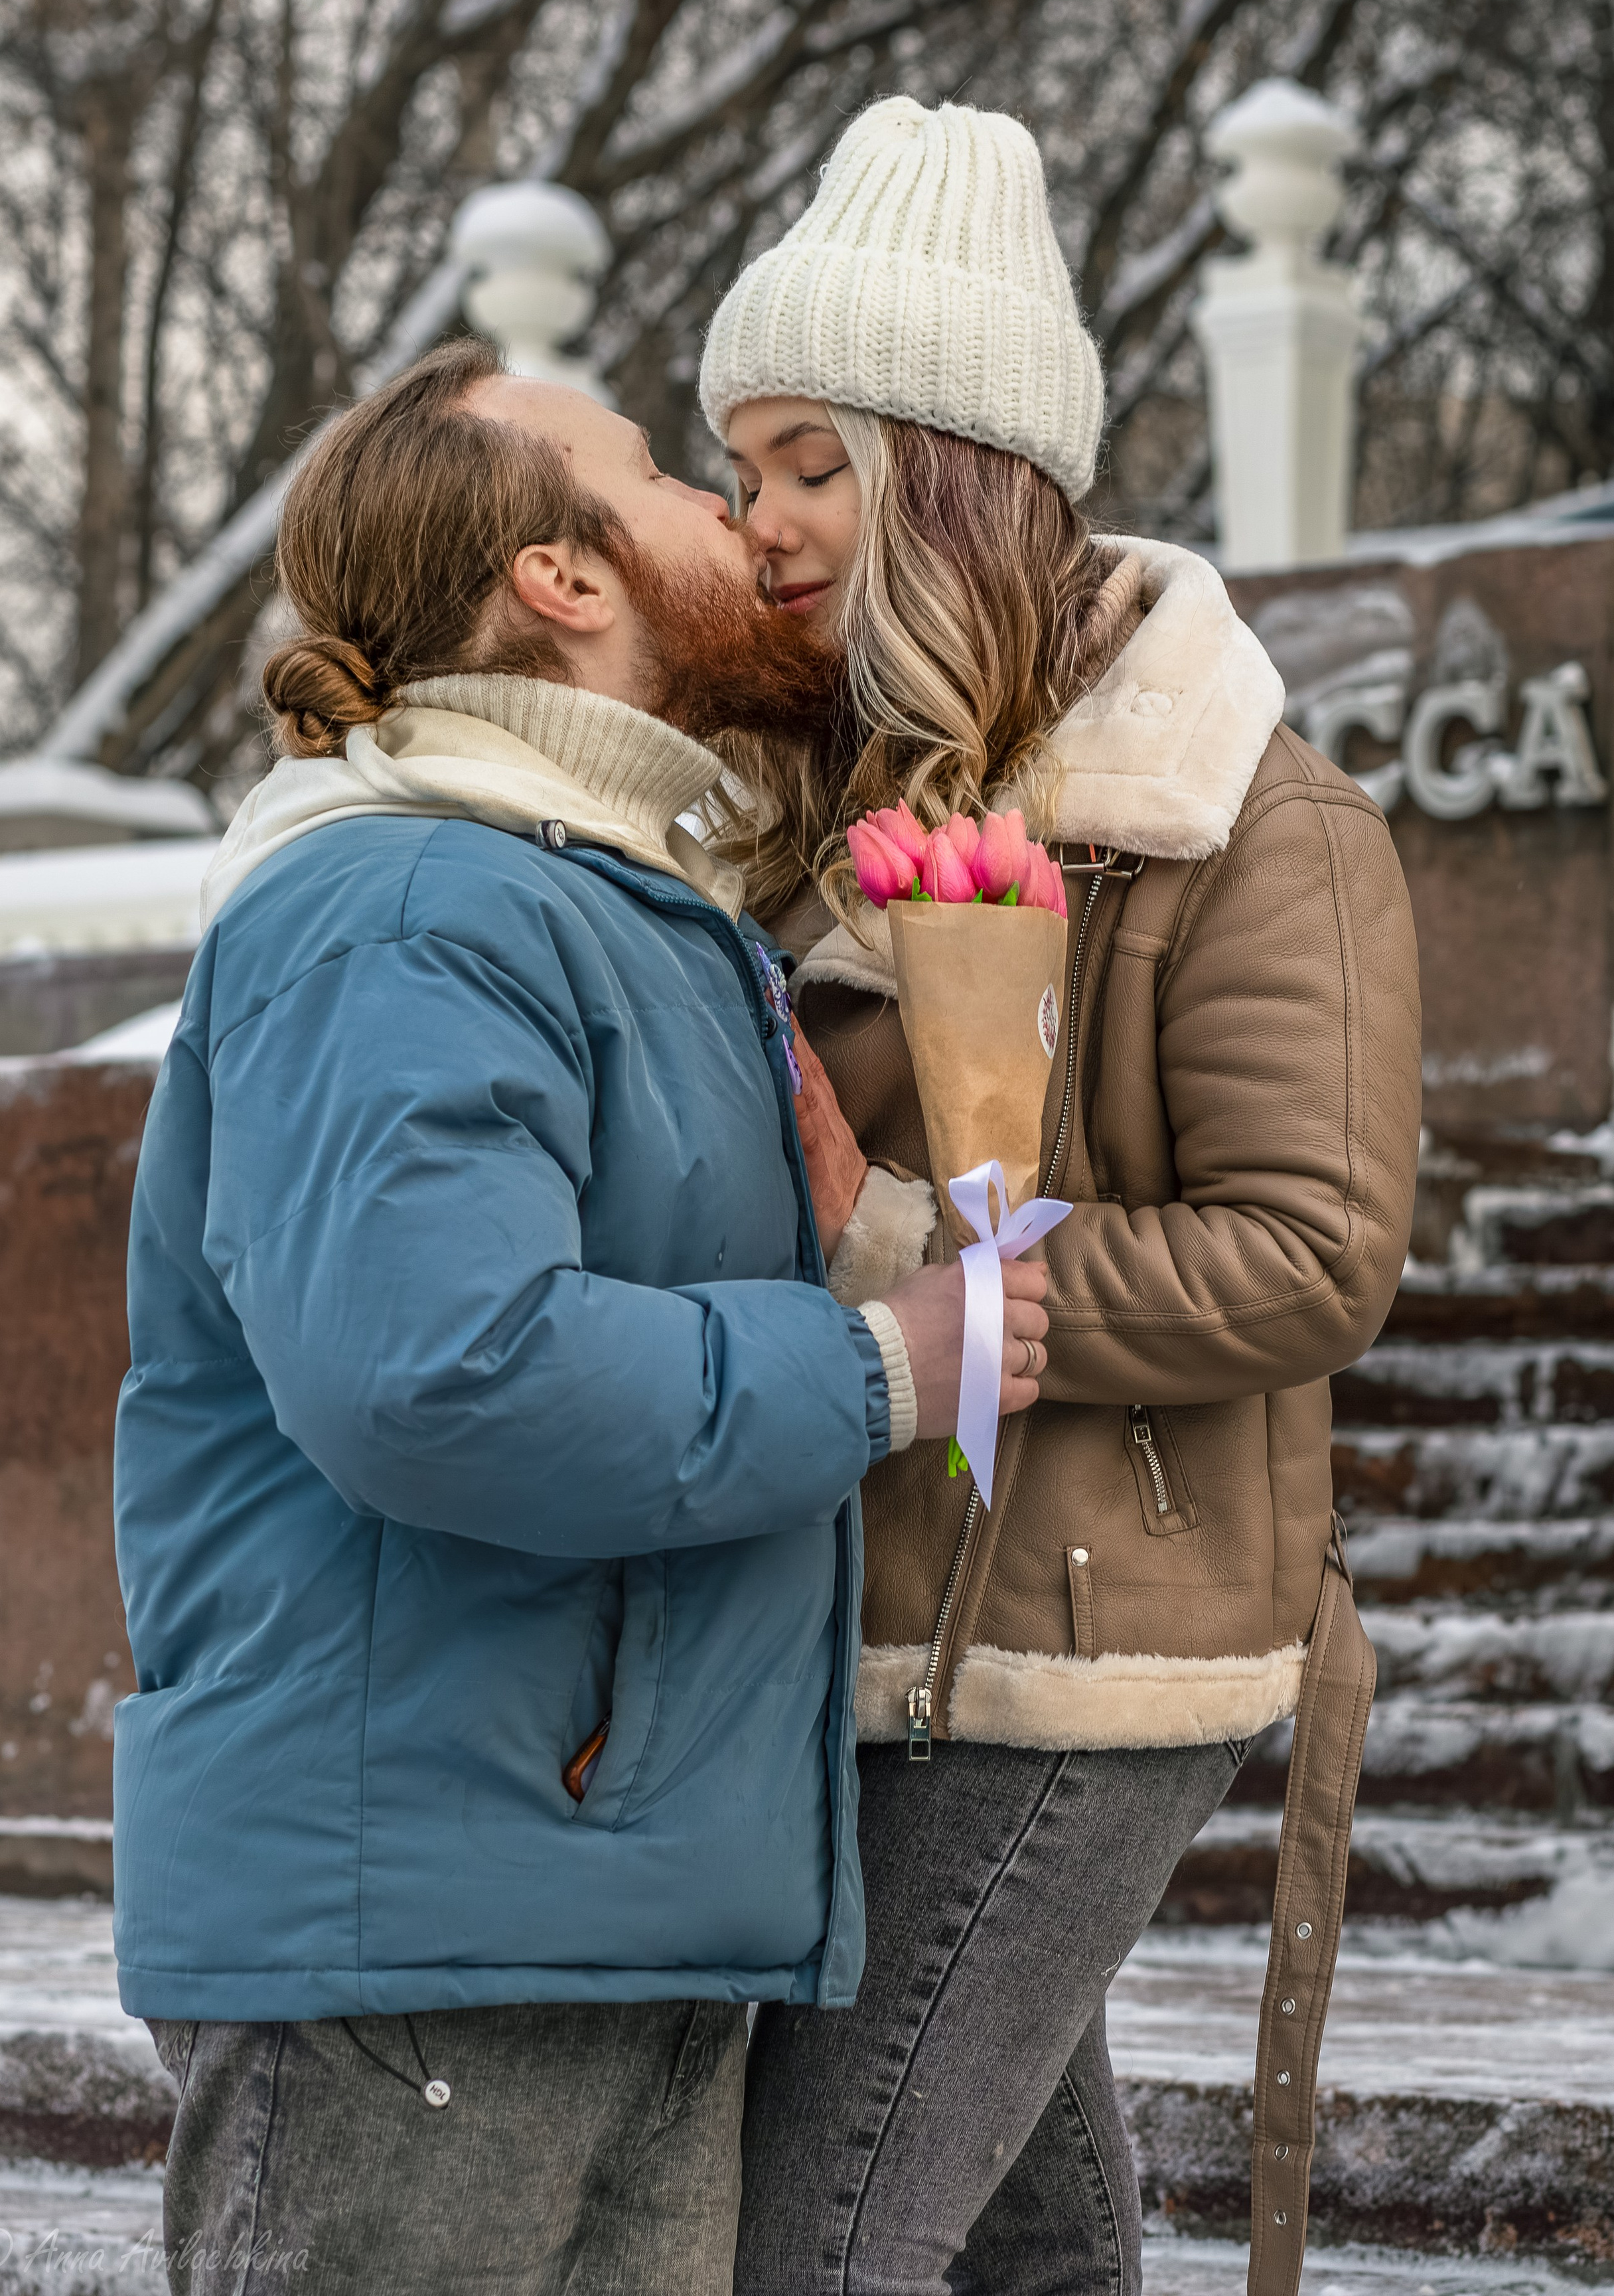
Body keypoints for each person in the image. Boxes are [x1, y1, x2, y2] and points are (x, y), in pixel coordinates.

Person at [111, 335, 1051, 2296]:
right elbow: (438, 1372)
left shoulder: (612, 909)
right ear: (562, 577)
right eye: (660, 472)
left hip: (603, 1912)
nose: (733, 510)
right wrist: (886, 1369)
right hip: (428, 1945)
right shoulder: (402, 906)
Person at [696, 98, 1423, 2296]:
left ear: (958, 465)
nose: (761, 522)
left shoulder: (1250, 826)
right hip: (863, 1627)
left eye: (813, 461)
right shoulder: (809, 801)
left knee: (814, 2240)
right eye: (739, 470)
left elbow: (1315, 1252)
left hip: (1094, 1650)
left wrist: (921, 1271)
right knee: (1031, 2253)